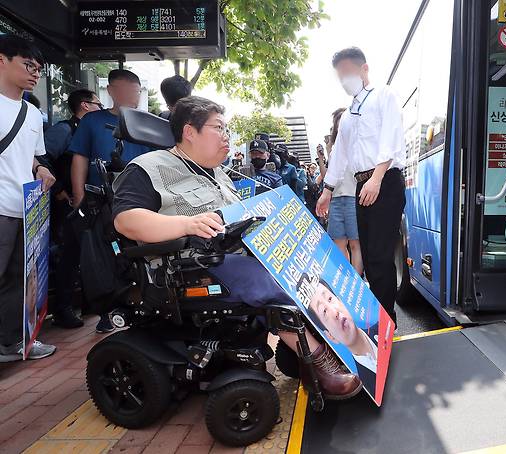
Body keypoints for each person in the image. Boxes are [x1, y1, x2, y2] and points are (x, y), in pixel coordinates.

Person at [111, 95, 362, 399]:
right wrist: (187, 224)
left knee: (309, 266)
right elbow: (126, 221)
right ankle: (320, 363)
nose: (227, 137)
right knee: (269, 279)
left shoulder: (219, 173)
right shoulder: (148, 167)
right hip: (188, 264)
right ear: (190, 132)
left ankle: (325, 346)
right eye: (219, 128)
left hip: (235, 253)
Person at [316, 47, 406, 324]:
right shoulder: (347, 114)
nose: (344, 79)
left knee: (379, 255)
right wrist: (327, 190)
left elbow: (391, 138)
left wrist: (377, 178)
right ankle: (377, 319)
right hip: (361, 185)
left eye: (348, 72)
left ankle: (386, 321)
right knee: (367, 254)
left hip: (384, 180)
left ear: (364, 68)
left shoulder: (383, 95)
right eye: (340, 75)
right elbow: (340, 155)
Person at [69, 69, 151, 333]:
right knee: (103, 256)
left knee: (139, 254)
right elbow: (79, 158)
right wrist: (79, 196)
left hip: (139, 200)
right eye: (127, 90)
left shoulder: (146, 122)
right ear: (113, 91)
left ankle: (143, 305)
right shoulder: (93, 121)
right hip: (100, 199)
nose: (132, 96)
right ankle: (108, 310)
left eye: (136, 91)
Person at [0, 34, 56, 361]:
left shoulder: (33, 114)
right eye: (28, 65)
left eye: (39, 69)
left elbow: (33, 157)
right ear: (2, 60)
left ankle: (13, 343)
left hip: (26, 208)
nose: (35, 74)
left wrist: (41, 170)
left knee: (21, 281)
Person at [45, 88, 102, 329]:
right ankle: (63, 308)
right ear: (85, 106)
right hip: (67, 204)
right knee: (68, 255)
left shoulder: (90, 129)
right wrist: (59, 191)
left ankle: (90, 302)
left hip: (89, 203)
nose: (101, 108)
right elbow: (42, 158)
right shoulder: (64, 129)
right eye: (98, 103)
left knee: (87, 253)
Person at [303, 276, 378, 395]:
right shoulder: (357, 382)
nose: (335, 312)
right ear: (330, 336)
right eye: (324, 311)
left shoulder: (381, 328)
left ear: (341, 301)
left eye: (330, 299)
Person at [324, 108, 363, 276]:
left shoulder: (359, 145)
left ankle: (357, 282)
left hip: (353, 197)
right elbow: (328, 177)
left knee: (355, 244)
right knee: (339, 243)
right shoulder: (333, 150)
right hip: (336, 199)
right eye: (338, 123)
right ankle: (346, 281)